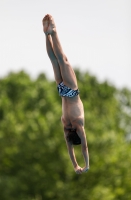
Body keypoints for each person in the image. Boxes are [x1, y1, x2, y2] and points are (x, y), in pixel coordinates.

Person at [42, 14, 89, 174]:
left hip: (72, 91)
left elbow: (84, 147)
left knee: (63, 60)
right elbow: (70, 149)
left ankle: (53, 32)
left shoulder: (78, 125)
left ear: (79, 134)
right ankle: (47, 36)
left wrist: (86, 165)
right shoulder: (66, 126)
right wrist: (74, 165)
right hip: (62, 91)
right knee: (54, 61)